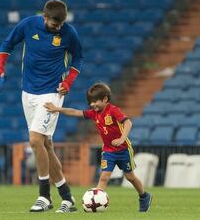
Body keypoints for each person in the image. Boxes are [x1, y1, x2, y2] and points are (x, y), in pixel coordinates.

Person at [0, 0, 83, 213]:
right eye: (54, 24)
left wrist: (68, 82)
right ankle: (67, 197)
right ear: (44, 17)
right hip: (28, 93)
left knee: (34, 140)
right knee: (45, 145)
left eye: (61, 24)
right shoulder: (28, 25)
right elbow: (7, 44)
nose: (58, 28)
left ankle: (44, 196)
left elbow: (78, 58)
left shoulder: (69, 33)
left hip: (51, 93)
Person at [44, 82, 152, 212]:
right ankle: (95, 204)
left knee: (130, 177)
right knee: (104, 176)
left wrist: (122, 138)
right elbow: (75, 112)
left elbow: (128, 123)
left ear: (105, 99)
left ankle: (144, 196)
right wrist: (57, 109)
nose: (92, 104)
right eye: (90, 102)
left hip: (123, 149)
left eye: (95, 101)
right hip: (108, 151)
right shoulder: (94, 113)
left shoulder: (113, 110)